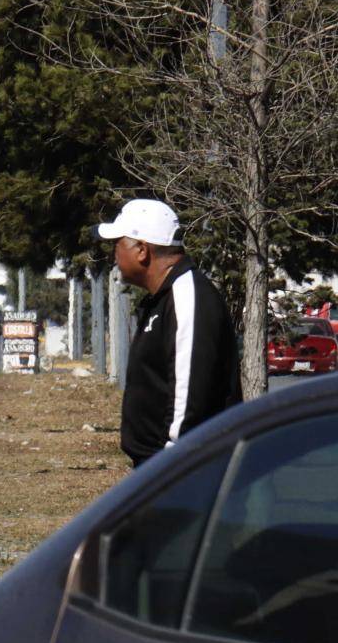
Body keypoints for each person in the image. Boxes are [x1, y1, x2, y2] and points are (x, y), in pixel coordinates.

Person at [98, 198, 241, 467]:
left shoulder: (186, 296)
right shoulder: (163, 299)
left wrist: (167, 471)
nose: (113, 255)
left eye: (117, 244)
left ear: (142, 250)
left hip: (182, 472)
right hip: (160, 471)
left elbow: (189, 399)